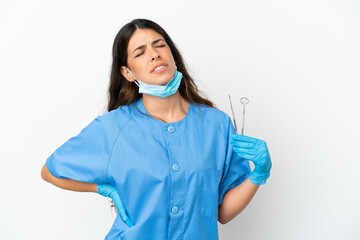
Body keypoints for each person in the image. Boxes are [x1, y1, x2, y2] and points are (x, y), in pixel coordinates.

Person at [40, 18, 272, 240]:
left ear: (172, 55)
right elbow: (50, 172)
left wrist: (258, 174)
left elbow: (222, 214)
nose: (154, 54)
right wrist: (101, 188)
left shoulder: (217, 125)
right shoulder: (113, 128)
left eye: (160, 45)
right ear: (127, 73)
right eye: (140, 53)